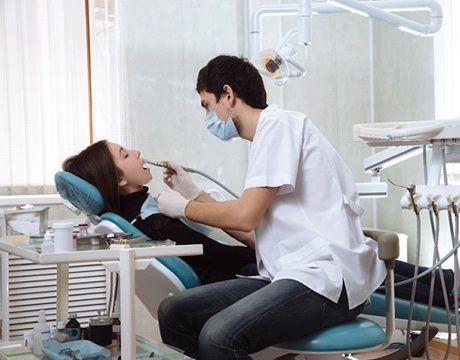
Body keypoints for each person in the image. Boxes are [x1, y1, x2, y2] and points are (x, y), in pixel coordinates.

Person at [155, 54, 387, 359]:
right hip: (289, 274)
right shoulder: (268, 139)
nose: (208, 117)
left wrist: (183, 208)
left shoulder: (279, 126)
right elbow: (252, 232)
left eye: (207, 105)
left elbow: (244, 216)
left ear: (228, 95)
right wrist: (191, 191)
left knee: (219, 336)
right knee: (175, 312)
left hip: (326, 281)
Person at [61, 140, 256, 285]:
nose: (136, 152)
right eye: (125, 155)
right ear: (120, 179)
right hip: (232, 279)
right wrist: (262, 251)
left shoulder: (138, 216)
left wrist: (190, 193)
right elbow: (222, 255)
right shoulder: (153, 222)